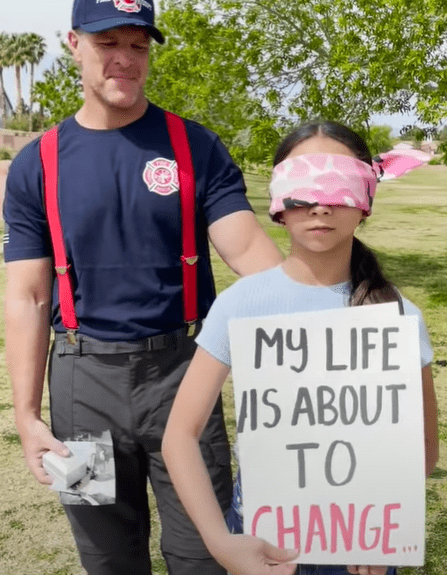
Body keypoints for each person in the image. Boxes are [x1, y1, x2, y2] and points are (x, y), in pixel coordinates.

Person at [3, 0, 283, 574]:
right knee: (106, 558)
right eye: (109, 44)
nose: (125, 60)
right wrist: (26, 415)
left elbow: (248, 250)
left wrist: (330, 316)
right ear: (75, 44)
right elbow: (29, 298)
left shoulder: (194, 147)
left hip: (184, 377)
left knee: (204, 551)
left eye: (138, 46)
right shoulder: (37, 164)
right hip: (80, 386)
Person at [162, 120, 439, 575]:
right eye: (302, 187)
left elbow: (422, 452)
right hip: (260, 544)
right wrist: (220, 542)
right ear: (278, 202)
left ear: (366, 198)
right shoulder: (241, 304)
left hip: (362, 552)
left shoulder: (399, 316)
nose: (319, 207)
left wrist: (379, 531)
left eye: (339, 186)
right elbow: (179, 436)